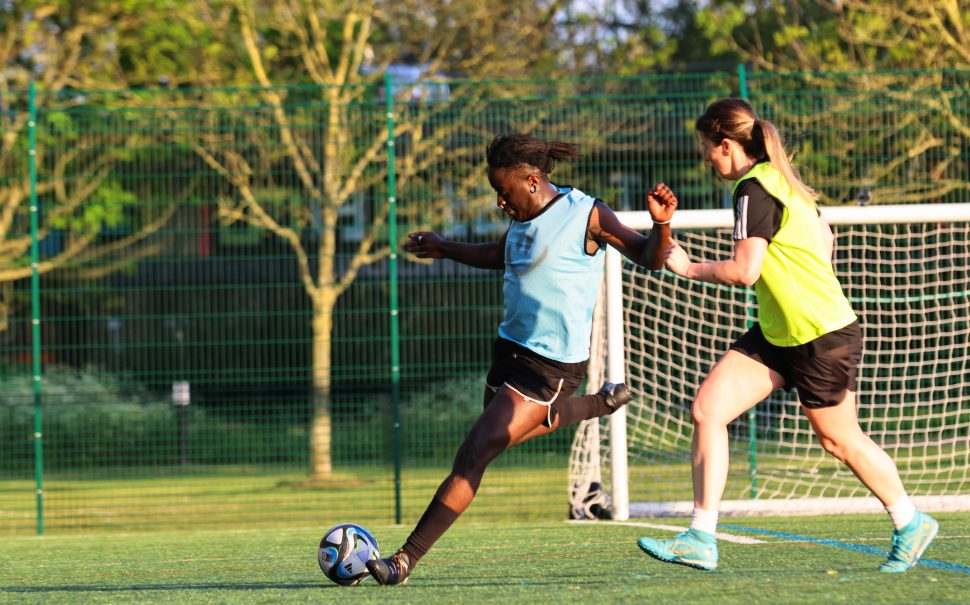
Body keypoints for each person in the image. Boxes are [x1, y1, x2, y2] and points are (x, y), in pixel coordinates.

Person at [636, 98, 938, 573]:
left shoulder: (753, 189)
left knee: (839, 441)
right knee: (708, 410)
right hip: (781, 332)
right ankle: (701, 537)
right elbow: (826, 237)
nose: (707, 158)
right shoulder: (781, 181)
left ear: (727, 144)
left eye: (708, 149)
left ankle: (910, 521)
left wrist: (688, 266)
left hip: (820, 335)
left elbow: (744, 270)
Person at [366, 132, 678, 585]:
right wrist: (445, 247)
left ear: (532, 181)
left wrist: (662, 224)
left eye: (504, 191)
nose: (499, 202)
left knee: (475, 451)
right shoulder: (521, 218)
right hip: (508, 351)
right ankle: (601, 404)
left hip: (550, 367)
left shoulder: (587, 214)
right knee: (505, 437)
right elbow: (502, 254)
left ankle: (403, 561)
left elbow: (650, 257)